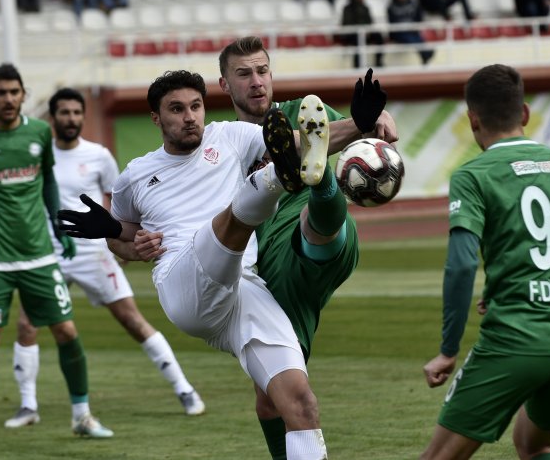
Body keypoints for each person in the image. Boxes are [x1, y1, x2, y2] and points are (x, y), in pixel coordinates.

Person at [58, 69, 386, 459]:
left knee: (299, 403)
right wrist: (121, 238)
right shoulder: (136, 175)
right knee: (234, 217)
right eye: (176, 109)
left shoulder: (230, 136)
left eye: (195, 106)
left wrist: (362, 124)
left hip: (243, 289)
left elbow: (306, 142)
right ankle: (281, 179)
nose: (189, 116)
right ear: (156, 118)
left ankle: (280, 177)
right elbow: (124, 239)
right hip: (183, 282)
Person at [217, 35, 396, 459]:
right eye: (243, 74)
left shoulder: (303, 111)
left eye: (262, 71)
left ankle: (318, 181)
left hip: (315, 238)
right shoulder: (221, 143)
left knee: (314, 223)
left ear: (272, 74)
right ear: (225, 85)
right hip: (273, 273)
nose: (256, 81)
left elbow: (375, 128)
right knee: (272, 397)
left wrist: (376, 118)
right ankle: (308, 168)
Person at [419, 63, 550, 460]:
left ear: (472, 120)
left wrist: (448, 350)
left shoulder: (473, 175)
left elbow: (461, 265)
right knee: (535, 445)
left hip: (516, 340)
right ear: (524, 114)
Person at [0, 64, 113, 450]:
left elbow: (47, 181)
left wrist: (58, 226)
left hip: (39, 258)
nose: (9, 99)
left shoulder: (38, 133)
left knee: (66, 331)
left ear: (23, 94)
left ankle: (82, 415)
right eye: (1, 92)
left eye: (15, 92)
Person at [3, 87, 205, 430]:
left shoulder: (98, 155)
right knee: (26, 324)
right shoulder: (38, 156)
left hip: (93, 253)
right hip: (49, 253)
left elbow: (119, 205)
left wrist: (120, 244)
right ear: (53, 118)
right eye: (64, 113)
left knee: (132, 320)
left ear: (83, 116)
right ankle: (27, 405)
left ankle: (184, 389)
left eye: (77, 112)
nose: (71, 119)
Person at [387, 0, 435, 65]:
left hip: (411, 30)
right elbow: (391, 23)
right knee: (411, 38)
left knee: (418, 38)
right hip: (399, 33)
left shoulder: (412, 4)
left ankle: (425, 54)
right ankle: (426, 53)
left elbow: (419, 15)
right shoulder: (392, 7)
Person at [340, 0, 385, 69]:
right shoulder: (348, 8)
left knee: (379, 37)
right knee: (358, 41)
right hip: (352, 34)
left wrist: (368, 30)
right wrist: (361, 30)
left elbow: (370, 21)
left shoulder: (365, 7)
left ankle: (378, 61)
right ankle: (357, 65)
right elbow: (346, 23)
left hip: (366, 33)